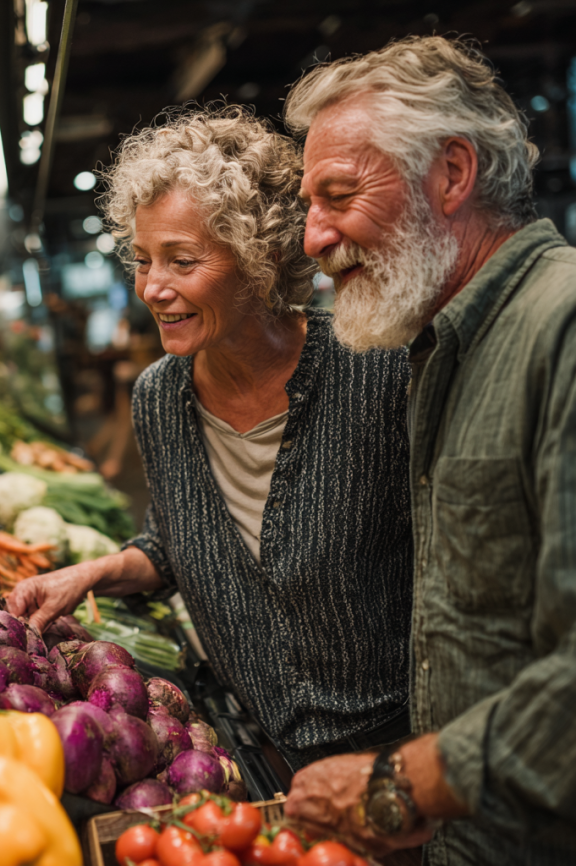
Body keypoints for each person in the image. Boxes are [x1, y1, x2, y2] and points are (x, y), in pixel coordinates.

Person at [8, 105, 415, 768]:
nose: (154, 289)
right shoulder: (160, 400)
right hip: (264, 753)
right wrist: (92, 572)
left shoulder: (373, 372)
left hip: (401, 753)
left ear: (258, 261)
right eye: (142, 261)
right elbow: (179, 543)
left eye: (182, 260)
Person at [281, 35, 576, 865]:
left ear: (452, 174)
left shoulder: (561, 329)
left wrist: (403, 781)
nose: (313, 240)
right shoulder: (436, 353)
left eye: (339, 194)